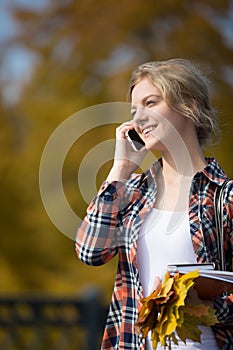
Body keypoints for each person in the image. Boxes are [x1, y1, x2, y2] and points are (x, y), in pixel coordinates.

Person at [75, 58, 233, 349]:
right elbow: (90, 251)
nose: (139, 118)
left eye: (150, 103)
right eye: (135, 110)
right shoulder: (132, 192)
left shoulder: (224, 197)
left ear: (189, 104)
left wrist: (202, 308)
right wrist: (121, 168)